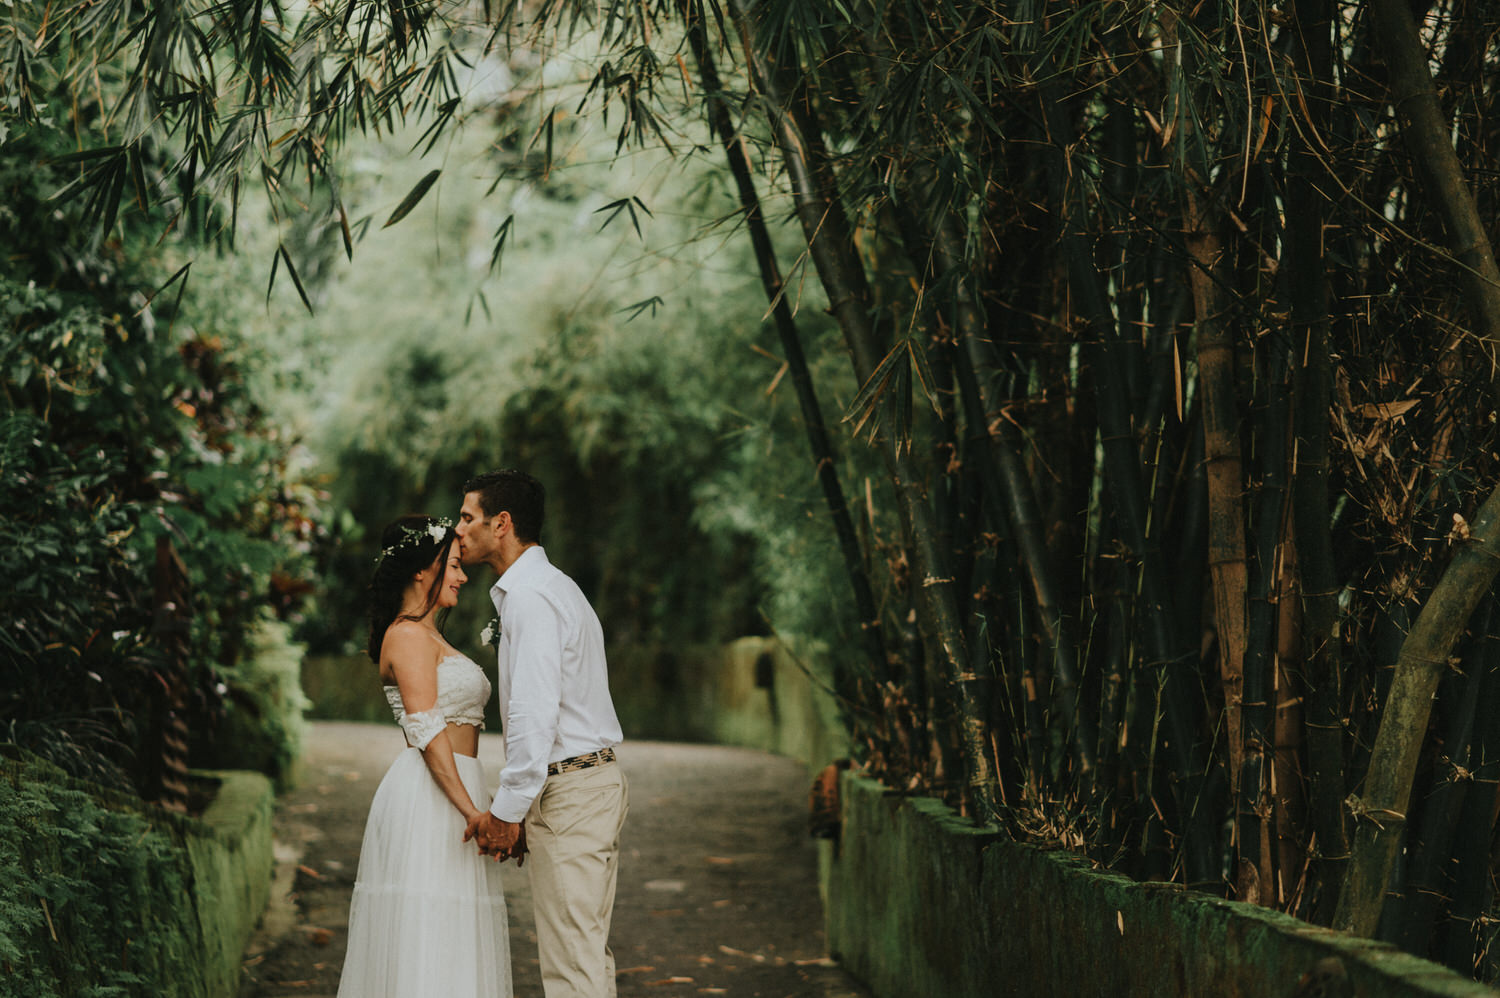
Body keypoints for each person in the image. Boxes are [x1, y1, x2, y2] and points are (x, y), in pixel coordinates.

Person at [456, 470, 627, 998]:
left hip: (572, 793)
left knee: (572, 967)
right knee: (582, 957)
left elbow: (534, 715)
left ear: (501, 524)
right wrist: (527, 806)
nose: (457, 530)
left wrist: (508, 812)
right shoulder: (552, 589)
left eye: (467, 518)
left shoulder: (532, 597)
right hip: (580, 788)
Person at [338, 514, 513, 998]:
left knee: (454, 937)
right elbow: (428, 729)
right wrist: (474, 812)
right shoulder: (408, 635)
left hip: (459, 789)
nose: (462, 575)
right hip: (433, 798)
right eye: (453, 565)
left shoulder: (431, 635)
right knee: (428, 932)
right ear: (422, 569)